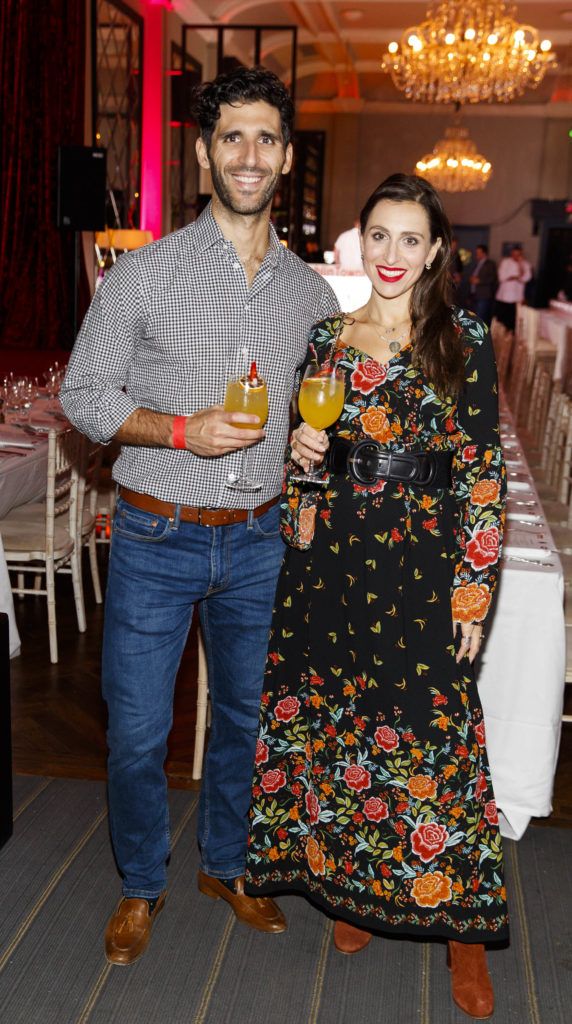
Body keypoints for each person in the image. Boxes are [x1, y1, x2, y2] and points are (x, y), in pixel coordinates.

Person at [60, 66, 338, 967]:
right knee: (138, 730)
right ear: (204, 151)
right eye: (233, 138)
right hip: (156, 532)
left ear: (286, 157)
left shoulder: (312, 296)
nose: (250, 155)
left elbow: (310, 406)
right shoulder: (142, 273)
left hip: (260, 539)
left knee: (249, 720)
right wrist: (181, 429)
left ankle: (227, 865)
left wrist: (304, 441)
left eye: (266, 138)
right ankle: (143, 883)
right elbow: (83, 394)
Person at [245, 173, 508, 1020]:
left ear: (434, 250)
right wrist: (305, 460)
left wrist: (473, 591)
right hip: (337, 566)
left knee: (438, 736)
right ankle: (360, 893)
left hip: (424, 566)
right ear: (362, 243)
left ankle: (462, 925)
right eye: (380, 237)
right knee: (346, 726)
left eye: (410, 239)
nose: (393, 255)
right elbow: (308, 464)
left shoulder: (463, 336)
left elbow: (480, 473)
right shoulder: (326, 337)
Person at [494, 244, 532, 332]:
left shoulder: (525, 264)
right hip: (503, 296)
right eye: (514, 254)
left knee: (514, 320)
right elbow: (501, 277)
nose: (515, 256)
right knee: (501, 319)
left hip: (517, 297)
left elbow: (527, 278)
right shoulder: (505, 262)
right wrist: (514, 277)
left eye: (518, 254)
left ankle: (511, 339)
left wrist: (520, 265)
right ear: (511, 253)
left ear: (521, 254)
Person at [469, 243, 497, 328]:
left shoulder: (490, 264)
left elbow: (493, 278)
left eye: (478, 252)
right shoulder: (477, 264)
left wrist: (479, 280)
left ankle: (480, 336)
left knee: (480, 316)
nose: (476, 254)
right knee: (474, 316)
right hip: (475, 294)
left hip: (484, 294)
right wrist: (471, 279)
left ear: (484, 253)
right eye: (476, 252)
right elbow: (475, 277)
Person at [449, 235, 464, 304]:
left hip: (455, 285)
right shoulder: (444, 256)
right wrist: (452, 279)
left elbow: (460, 269)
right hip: (446, 285)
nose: (454, 247)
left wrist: (459, 276)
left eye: (455, 245)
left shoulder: (457, 256)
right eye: (453, 245)